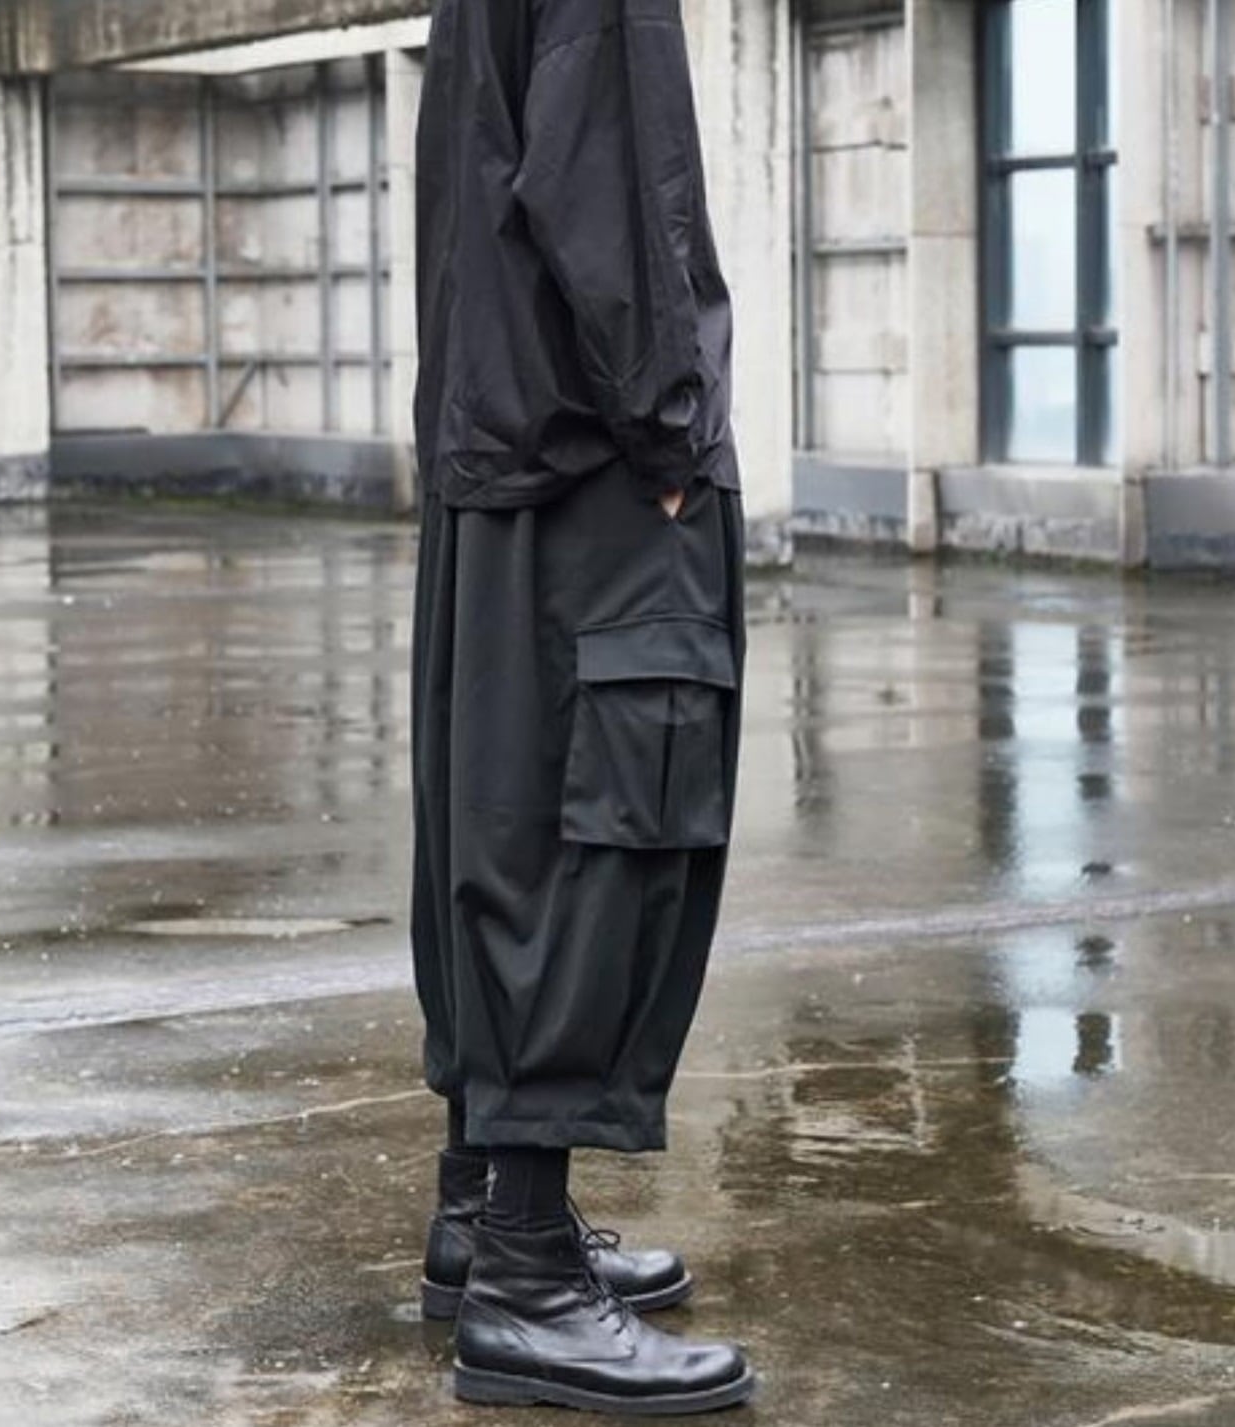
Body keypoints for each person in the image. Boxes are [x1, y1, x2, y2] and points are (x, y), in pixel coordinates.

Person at [408, 0, 753, 1414]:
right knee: (590, 846)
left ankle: (481, 1211)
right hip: (586, 473)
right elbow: (614, 186)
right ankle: (528, 1280)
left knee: (495, 827)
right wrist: (672, 428)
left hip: (499, 459)